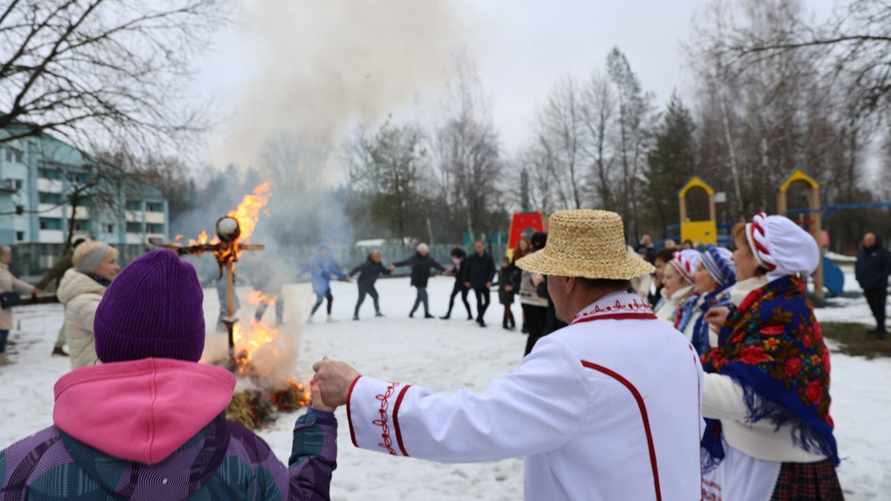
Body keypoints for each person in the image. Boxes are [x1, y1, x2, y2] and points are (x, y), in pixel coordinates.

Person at [313, 210, 702, 501]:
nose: (542, 283)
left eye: (546, 274)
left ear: (567, 280)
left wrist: (358, 390)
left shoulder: (575, 356)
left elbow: (474, 423)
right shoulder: (676, 343)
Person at [0, 250, 339, 499]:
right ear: (193, 348)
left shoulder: (22, 467)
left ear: (103, 340)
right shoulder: (244, 458)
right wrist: (319, 421)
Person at [700, 213, 843, 500]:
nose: (734, 256)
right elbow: (757, 358)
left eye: (739, 249)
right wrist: (734, 326)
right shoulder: (763, 308)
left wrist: (673, 378)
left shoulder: (781, 313)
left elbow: (751, 395)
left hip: (781, 469)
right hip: (758, 456)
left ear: (760, 261)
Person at [56, 240, 120, 369]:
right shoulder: (85, 302)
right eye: (111, 262)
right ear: (93, 266)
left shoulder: (98, 294)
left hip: (99, 374)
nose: (117, 267)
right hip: (96, 378)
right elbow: (121, 329)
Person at [36, 237, 86, 357]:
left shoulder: (80, 259)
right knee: (70, 320)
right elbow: (53, 271)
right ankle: (59, 346)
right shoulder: (69, 259)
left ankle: (64, 345)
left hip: (77, 291)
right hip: (69, 293)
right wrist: (40, 286)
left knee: (76, 319)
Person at [519, 232, 566, 356]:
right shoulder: (533, 259)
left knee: (540, 335)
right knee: (537, 334)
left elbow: (550, 288)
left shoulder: (552, 261)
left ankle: (531, 361)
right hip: (532, 301)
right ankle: (529, 362)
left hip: (546, 304)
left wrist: (539, 285)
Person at [685, 245, 735, 355]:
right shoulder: (704, 304)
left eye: (698, 269)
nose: (693, 274)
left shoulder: (720, 310)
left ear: (714, 276)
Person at [0, 246, 37, 366]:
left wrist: (32, 289)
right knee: (2, 331)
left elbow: (15, 283)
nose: (10, 257)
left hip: (3, 306)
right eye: (8, 255)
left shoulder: (4, 270)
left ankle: (2, 356)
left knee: (3, 331)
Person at [393, 243, 444, 318]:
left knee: (419, 298)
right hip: (416, 281)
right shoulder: (414, 258)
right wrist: (394, 264)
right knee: (425, 296)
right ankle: (426, 313)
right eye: (422, 251)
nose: (423, 252)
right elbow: (405, 262)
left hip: (424, 280)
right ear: (419, 251)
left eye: (425, 251)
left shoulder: (429, 259)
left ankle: (411, 312)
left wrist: (445, 270)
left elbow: (437, 265)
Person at [855, 232, 890, 339]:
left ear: (875, 240)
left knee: (879, 307)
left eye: (870, 240)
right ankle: (878, 326)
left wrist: (879, 279)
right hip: (866, 285)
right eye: (866, 240)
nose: (868, 242)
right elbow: (857, 266)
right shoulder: (862, 253)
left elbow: (888, 268)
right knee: (872, 307)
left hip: (879, 286)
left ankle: (882, 329)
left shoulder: (883, 253)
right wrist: (858, 278)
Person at [301, 246, 348, 323]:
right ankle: (310, 318)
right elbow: (315, 270)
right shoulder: (314, 260)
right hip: (318, 284)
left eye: (326, 251)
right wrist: (324, 273)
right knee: (320, 301)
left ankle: (327, 317)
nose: (324, 253)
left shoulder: (327, 261)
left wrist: (343, 275)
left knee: (329, 299)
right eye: (322, 251)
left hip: (325, 284)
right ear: (319, 252)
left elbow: (334, 270)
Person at [654, 249, 698, 325]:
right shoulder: (667, 299)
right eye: (664, 276)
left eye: (669, 277)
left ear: (685, 281)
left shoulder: (688, 309)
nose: (663, 281)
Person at [349, 250, 394, 320]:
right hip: (362, 284)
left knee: (375, 296)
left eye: (379, 256)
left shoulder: (379, 264)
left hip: (370, 284)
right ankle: (355, 315)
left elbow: (384, 271)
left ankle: (377, 312)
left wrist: (390, 270)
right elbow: (356, 269)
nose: (379, 258)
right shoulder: (366, 264)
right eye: (377, 257)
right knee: (361, 299)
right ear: (373, 257)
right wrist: (349, 275)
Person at [464, 240, 496, 327]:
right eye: (476, 246)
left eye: (480, 246)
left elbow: (492, 270)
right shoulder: (471, 257)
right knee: (479, 301)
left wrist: (490, 281)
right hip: (476, 282)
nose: (478, 248)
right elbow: (467, 269)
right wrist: (466, 280)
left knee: (487, 301)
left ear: (483, 246)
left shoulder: (489, 257)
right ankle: (481, 319)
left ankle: (479, 316)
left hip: (486, 283)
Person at [440, 247, 473, 320]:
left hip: (465, 283)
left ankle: (470, 315)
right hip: (458, 283)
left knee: (464, 299)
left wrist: (453, 274)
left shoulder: (465, 262)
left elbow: (464, 273)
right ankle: (448, 314)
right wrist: (449, 272)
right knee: (452, 296)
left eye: (454, 256)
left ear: (458, 256)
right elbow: (455, 270)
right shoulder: (457, 262)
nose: (453, 258)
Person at [251, 261, 284, 326]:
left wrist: (278, 289)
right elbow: (257, 285)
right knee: (262, 306)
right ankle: (256, 321)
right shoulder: (263, 272)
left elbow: (277, 281)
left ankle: (279, 321)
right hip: (267, 292)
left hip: (274, 291)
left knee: (279, 303)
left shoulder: (271, 271)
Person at [497, 255, 520, 330]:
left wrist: (511, 287)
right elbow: (500, 281)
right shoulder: (500, 271)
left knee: (507, 308)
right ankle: (512, 322)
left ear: (507, 263)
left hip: (509, 292)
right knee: (507, 308)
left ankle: (505, 323)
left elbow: (514, 281)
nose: (503, 264)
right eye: (502, 262)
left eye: (505, 262)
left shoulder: (511, 271)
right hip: (502, 292)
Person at [514, 238, 532, 332]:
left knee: (527, 304)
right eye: (520, 244)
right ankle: (525, 323)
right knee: (523, 304)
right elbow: (513, 268)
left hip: (528, 283)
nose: (522, 245)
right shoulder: (516, 254)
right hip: (519, 283)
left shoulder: (531, 254)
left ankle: (527, 324)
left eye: (524, 244)